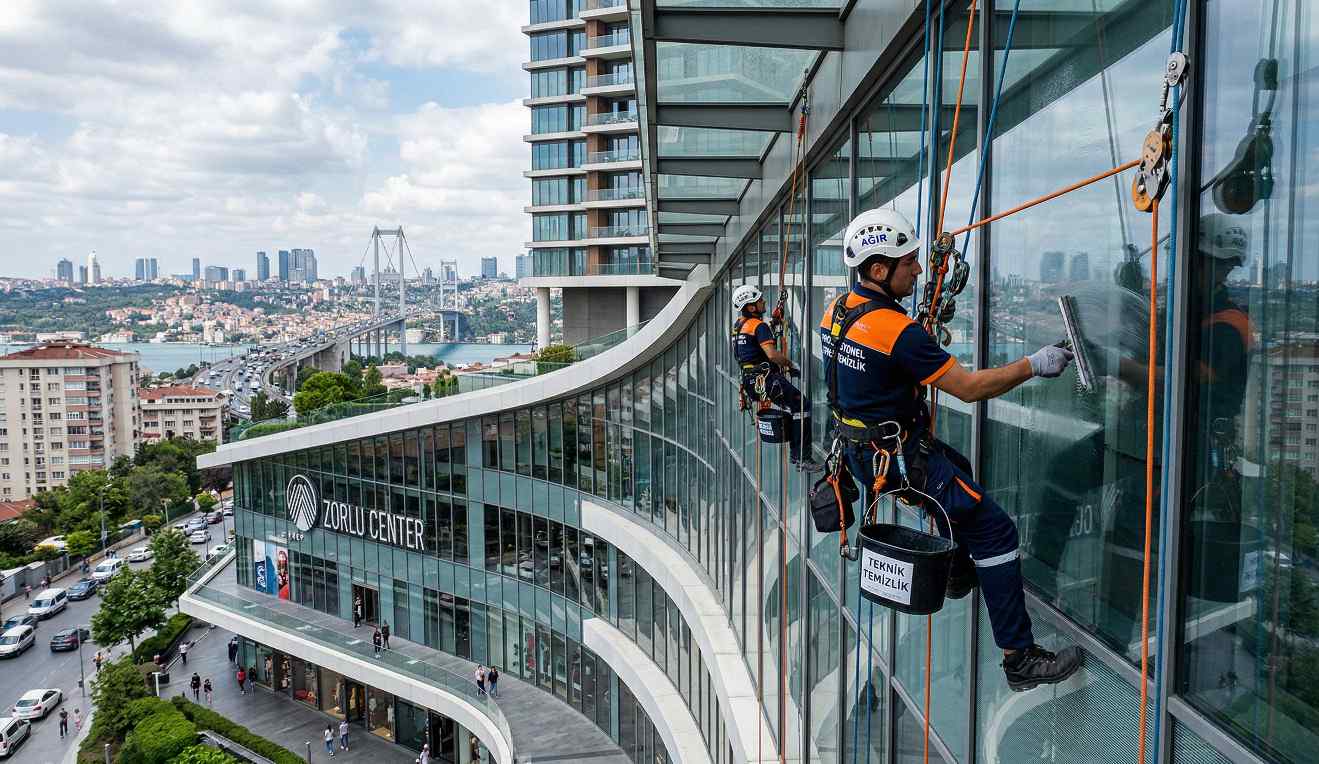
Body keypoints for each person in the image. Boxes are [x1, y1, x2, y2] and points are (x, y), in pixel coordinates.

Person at [821, 208, 1081, 692]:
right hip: (896, 459)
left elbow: (867, 369)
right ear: (879, 270)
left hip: (861, 452)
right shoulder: (897, 332)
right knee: (995, 529)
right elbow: (968, 388)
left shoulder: (836, 310)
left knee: (958, 468)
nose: (918, 271)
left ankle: (960, 568)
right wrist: (1033, 364)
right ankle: (1019, 658)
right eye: (908, 263)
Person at [730, 283, 823, 472]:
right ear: (751, 307)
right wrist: (790, 364)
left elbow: (749, 349)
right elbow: (772, 355)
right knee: (802, 406)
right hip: (766, 380)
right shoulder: (759, 326)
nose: (764, 301)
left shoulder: (739, 325)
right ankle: (802, 457)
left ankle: (796, 454)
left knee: (793, 407)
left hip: (751, 381)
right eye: (759, 300)